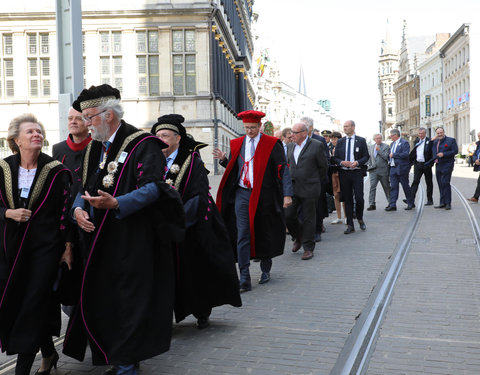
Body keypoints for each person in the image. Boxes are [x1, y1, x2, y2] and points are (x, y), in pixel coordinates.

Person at [63, 84, 184, 375]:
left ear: (108, 115)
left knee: (128, 302)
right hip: (98, 239)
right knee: (106, 299)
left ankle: (127, 362)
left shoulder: (144, 144)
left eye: (90, 118)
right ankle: (116, 354)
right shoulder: (95, 146)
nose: (86, 125)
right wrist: (77, 209)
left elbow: (154, 189)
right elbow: (84, 187)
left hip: (133, 239)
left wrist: (117, 202)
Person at [151, 114, 241, 330]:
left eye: (165, 135)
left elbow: (197, 196)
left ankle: (202, 310)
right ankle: (164, 316)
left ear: (177, 138)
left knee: (196, 270)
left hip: (192, 223)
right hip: (160, 227)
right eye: (157, 135)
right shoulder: (151, 160)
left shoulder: (192, 162)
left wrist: (177, 223)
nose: (161, 139)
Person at [0, 114, 72, 375]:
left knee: (32, 305)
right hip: (9, 251)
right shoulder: (3, 169)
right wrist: (8, 213)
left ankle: (21, 371)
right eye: (30, 132)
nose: (36, 135)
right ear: (16, 139)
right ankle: (49, 353)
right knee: (22, 304)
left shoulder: (56, 171)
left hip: (44, 251)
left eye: (39, 131)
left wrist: (67, 246)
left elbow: (64, 213)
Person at [214, 110, 293, 292]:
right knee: (243, 233)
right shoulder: (237, 144)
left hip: (265, 195)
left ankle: (265, 268)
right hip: (242, 194)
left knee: (263, 230)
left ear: (259, 127)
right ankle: (244, 276)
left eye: (252, 128)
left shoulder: (272, 144)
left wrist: (287, 194)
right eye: (246, 128)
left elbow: (283, 169)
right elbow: (237, 168)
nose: (249, 131)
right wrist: (225, 160)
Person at [52, 107, 92, 314]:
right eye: (70, 118)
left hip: (88, 215)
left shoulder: (97, 147)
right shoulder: (58, 149)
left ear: (88, 122)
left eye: (79, 118)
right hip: (65, 216)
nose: (73, 122)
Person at [285, 122, 328, 260]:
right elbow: (289, 166)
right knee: (288, 215)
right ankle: (298, 236)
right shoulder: (290, 146)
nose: (292, 135)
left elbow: (323, 167)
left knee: (309, 218)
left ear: (304, 133)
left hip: (310, 188)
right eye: (291, 132)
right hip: (293, 188)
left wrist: (313, 180)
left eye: (295, 133)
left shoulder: (316, 145)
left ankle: (308, 248)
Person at [333, 120, 369, 234]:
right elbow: (335, 158)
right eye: (344, 126)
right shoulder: (341, 142)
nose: (344, 128)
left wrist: (357, 162)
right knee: (347, 198)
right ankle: (350, 224)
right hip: (344, 173)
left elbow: (366, 156)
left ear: (353, 127)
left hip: (357, 172)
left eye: (347, 126)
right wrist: (341, 162)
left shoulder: (361, 140)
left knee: (359, 198)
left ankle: (359, 217)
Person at [301, 117, 329, 241]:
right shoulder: (297, 140)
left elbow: (325, 160)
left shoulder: (319, 140)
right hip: (301, 182)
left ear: (310, 128)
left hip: (317, 180)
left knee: (317, 206)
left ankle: (317, 230)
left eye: (304, 128)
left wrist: (318, 176)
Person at [425, 127, 458, 210]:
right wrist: (431, 141)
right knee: (440, 183)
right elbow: (427, 150)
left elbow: (455, 151)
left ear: (444, 132)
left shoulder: (451, 140)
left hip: (447, 164)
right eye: (438, 133)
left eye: (441, 132)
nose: (440, 134)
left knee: (445, 183)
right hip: (438, 165)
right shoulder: (435, 142)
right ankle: (442, 202)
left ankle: (448, 203)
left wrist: (444, 154)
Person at [385, 128, 414, 211]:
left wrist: (394, 155)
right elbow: (390, 155)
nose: (390, 137)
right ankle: (393, 204)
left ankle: (410, 203)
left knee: (405, 186)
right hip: (393, 168)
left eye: (391, 135)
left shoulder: (404, 143)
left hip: (402, 168)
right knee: (393, 187)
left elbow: (405, 154)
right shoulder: (392, 144)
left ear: (395, 135)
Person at [408, 127, 433, 206]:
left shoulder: (429, 141)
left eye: (422, 133)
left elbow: (432, 153)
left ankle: (430, 200)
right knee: (415, 182)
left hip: (426, 164)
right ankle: (411, 200)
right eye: (419, 134)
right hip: (418, 164)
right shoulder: (417, 141)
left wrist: (430, 164)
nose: (420, 135)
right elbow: (414, 151)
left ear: (425, 134)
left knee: (428, 182)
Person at [366, 133, 390, 211]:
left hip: (383, 170)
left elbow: (386, 157)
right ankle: (371, 204)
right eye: (377, 138)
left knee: (386, 187)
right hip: (373, 171)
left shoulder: (386, 146)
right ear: (374, 139)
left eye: (380, 138)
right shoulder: (371, 147)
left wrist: (379, 151)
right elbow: (369, 157)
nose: (379, 139)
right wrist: (369, 165)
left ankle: (390, 202)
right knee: (372, 187)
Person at [329, 132, 345, 224]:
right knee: (336, 195)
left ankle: (346, 216)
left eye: (335, 139)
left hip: (342, 173)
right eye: (332, 139)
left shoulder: (343, 149)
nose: (333, 141)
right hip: (333, 173)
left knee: (344, 195)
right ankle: (339, 217)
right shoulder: (330, 148)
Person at [467, 132, 480, 203]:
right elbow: (475, 153)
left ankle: (476, 197)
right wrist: (475, 160)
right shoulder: (478, 144)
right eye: (478, 136)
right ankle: (475, 197)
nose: (479, 137)